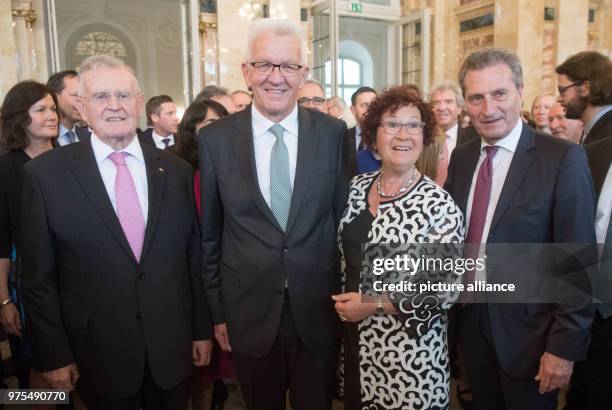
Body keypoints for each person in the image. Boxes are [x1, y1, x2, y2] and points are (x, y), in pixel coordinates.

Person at [20, 54, 212, 410]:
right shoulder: (45, 177)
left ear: (139, 103)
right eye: (101, 97)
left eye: (123, 96)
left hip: (172, 349)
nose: (114, 106)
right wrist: (54, 355)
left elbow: (193, 259)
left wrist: (202, 330)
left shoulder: (177, 172)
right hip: (95, 353)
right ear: (81, 106)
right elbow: (37, 280)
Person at [198, 19, 349, 410]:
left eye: (288, 67)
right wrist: (217, 313)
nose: (276, 77)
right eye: (264, 64)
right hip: (247, 313)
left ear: (304, 74)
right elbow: (211, 235)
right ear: (246, 72)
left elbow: (343, 224)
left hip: (318, 310)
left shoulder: (334, 134)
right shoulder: (214, 140)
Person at [444, 47, 596, 410]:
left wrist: (563, 348)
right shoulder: (463, 158)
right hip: (470, 323)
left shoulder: (562, 159)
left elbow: (578, 261)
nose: (488, 108)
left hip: (532, 337)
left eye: (499, 94)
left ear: (520, 91)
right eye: (476, 97)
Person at [333, 85, 464, 409]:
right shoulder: (354, 188)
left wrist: (372, 304)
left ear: (424, 135)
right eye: (392, 124)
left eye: (413, 125)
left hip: (410, 358)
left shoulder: (439, 206)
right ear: (373, 135)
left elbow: (446, 288)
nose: (403, 135)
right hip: (353, 346)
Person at [171, 99, 233, 410]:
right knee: (195, 369)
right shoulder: (179, 172)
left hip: (224, 281)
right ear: (191, 129)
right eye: (209, 123)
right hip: (191, 284)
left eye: (223, 122)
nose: (217, 130)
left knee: (216, 369)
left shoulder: (231, 169)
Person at [0, 81, 58, 392]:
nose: (52, 115)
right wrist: (4, 301)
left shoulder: (71, 159)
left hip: (79, 281)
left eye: (53, 108)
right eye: (41, 110)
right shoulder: (7, 167)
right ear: (21, 117)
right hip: (31, 284)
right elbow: (1, 239)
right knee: (43, 366)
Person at [555, 51, 612, 145]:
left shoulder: (608, 133)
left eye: (562, 90)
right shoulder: (593, 128)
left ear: (585, 88)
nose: (559, 99)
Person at [429, 82, 479, 185]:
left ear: (460, 108)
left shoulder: (474, 138)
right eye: (436, 103)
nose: (441, 108)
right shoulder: (423, 140)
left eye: (448, 102)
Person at [47, 70, 87, 145]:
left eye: (84, 96)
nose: (82, 101)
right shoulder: (44, 139)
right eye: (76, 95)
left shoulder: (89, 136)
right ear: (54, 97)